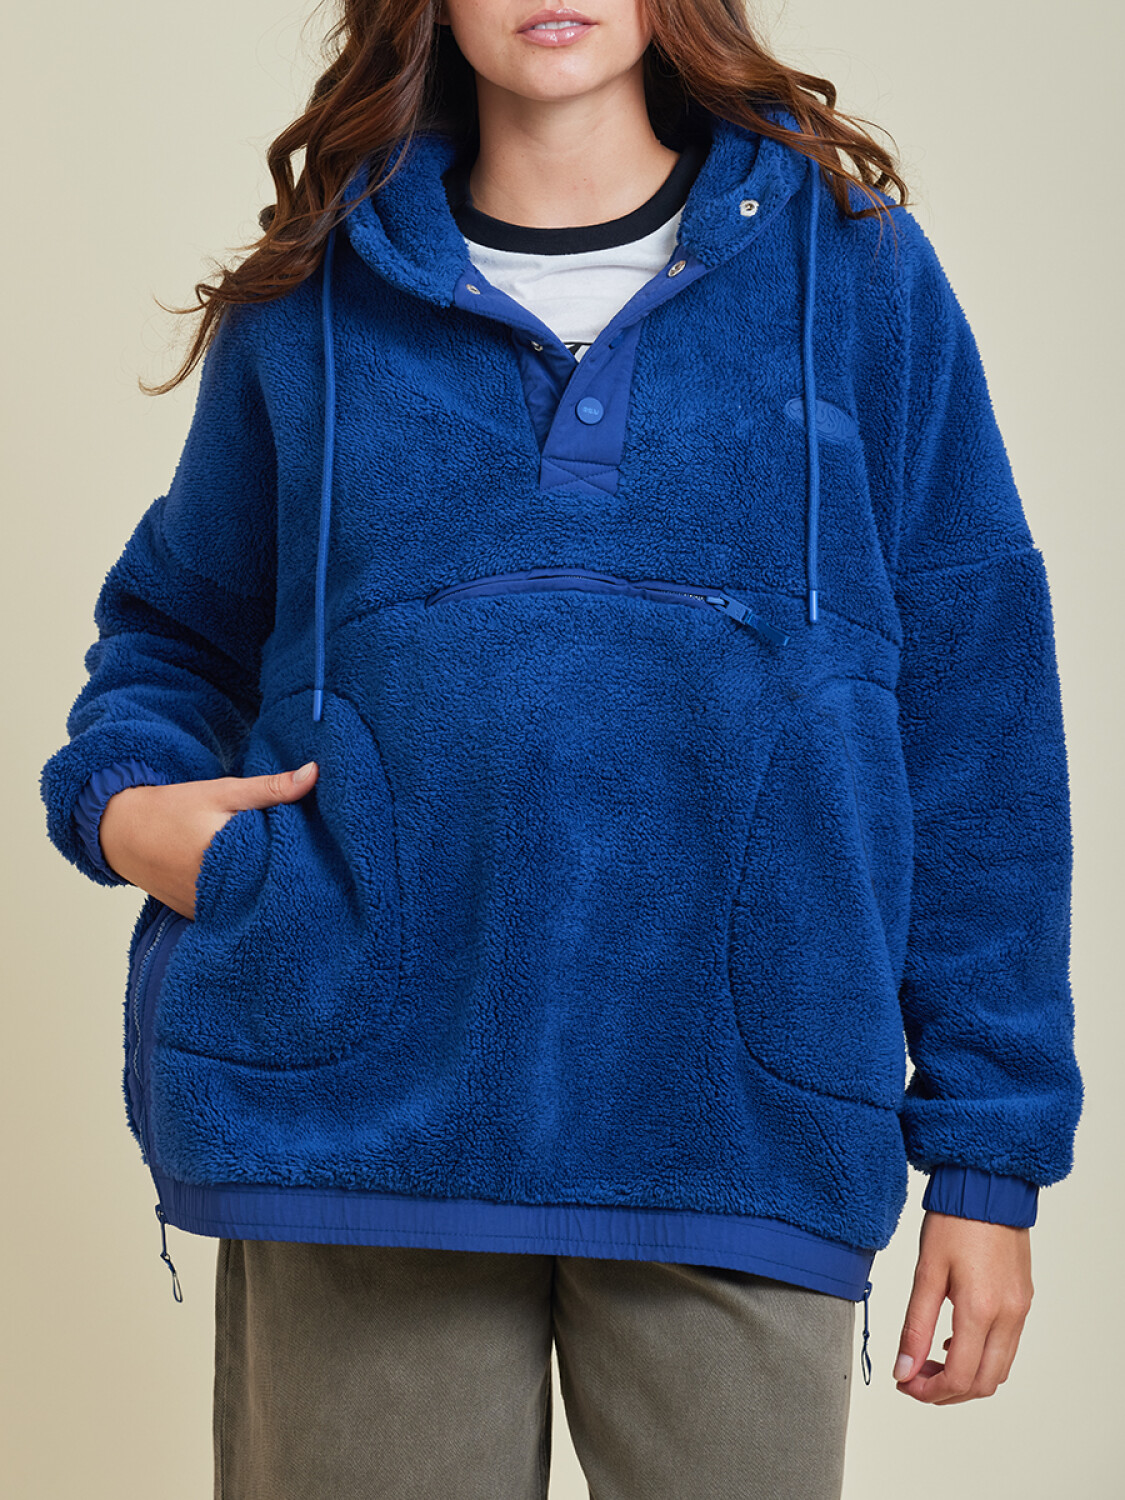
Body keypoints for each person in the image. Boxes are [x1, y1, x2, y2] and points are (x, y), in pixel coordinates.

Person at [39, 0, 1084, 1495]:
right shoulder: (314, 298)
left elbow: (982, 726)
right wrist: (132, 809)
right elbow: (173, 634)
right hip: (355, 1101)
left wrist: (990, 1157)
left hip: (744, 1118)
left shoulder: (856, 277)